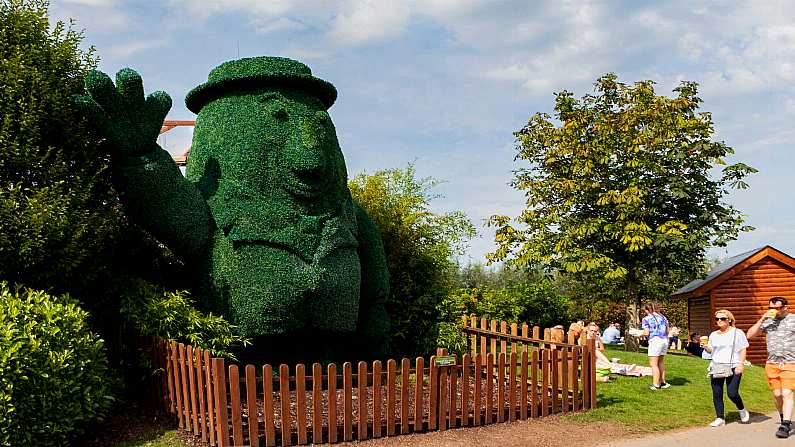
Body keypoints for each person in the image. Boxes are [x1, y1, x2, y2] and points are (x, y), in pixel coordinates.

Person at [747, 296, 795, 438]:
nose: (774, 310)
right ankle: (783, 417)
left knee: (787, 393)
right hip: (772, 363)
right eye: (771, 308)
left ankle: (785, 425)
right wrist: (762, 319)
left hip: (790, 363)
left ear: (786, 307)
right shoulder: (768, 321)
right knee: (777, 394)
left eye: (777, 308)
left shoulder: (793, 319)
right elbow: (750, 335)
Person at [702, 309, 750, 427]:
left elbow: (743, 348)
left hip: (734, 365)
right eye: (717, 319)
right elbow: (713, 350)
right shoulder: (713, 335)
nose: (719, 321)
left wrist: (741, 364)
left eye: (722, 318)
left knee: (732, 393)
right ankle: (720, 418)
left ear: (729, 320)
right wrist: (706, 347)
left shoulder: (737, 333)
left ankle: (742, 409)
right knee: (717, 393)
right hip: (717, 365)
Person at [642, 302, 671, 390]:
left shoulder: (646, 319)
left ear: (648, 310)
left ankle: (655, 384)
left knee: (654, 364)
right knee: (661, 362)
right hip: (664, 340)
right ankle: (663, 382)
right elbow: (667, 331)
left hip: (655, 341)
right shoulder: (663, 317)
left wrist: (638, 334)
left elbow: (646, 333)